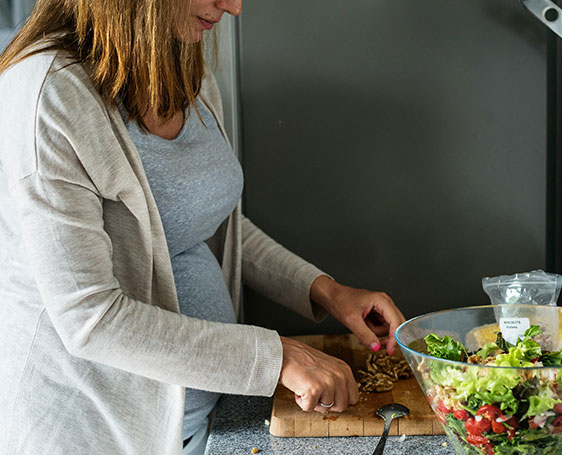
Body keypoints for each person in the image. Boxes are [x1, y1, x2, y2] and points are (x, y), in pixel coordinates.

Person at [0, 0, 406, 453]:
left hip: (208, 418)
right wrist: (277, 357)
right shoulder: (48, 94)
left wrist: (327, 291)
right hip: (97, 432)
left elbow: (211, 224)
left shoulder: (180, 64)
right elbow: (91, 319)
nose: (233, 8)